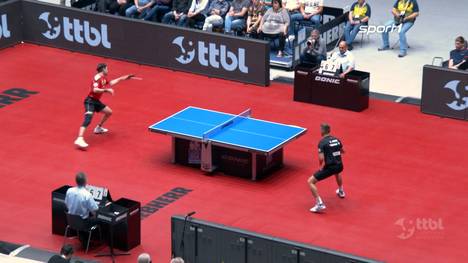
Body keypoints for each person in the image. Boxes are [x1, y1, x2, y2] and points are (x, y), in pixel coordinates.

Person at [74, 63, 131, 149]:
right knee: (88, 119)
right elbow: (95, 90)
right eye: (107, 69)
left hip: (96, 101)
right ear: (103, 69)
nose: (108, 70)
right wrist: (107, 90)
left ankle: (98, 128)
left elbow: (111, 82)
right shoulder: (97, 78)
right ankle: (79, 138)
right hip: (90, 101)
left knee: (109, 112)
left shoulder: (104, 78)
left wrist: (122, 78)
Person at [308, 123, 345, 213]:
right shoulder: (337, 139)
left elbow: (321, 158)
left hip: (330, 167)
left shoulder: (322, 142)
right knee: (337, 172)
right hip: (340, 166)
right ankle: (341, 191)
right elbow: (343, 151)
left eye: (321, 130)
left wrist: (321, 166)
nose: (320, 131)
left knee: (310, 181)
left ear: (323, 131)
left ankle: (319, 204)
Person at [64, 172, 99, 246]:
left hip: (70, 220)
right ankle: (92, 240)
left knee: (83, 216)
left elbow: (66, 204)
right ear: (85, 181)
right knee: (99, 219)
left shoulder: (69, 191)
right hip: (83, 223)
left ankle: (82, 238)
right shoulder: (87, 195)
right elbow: (95, 210)